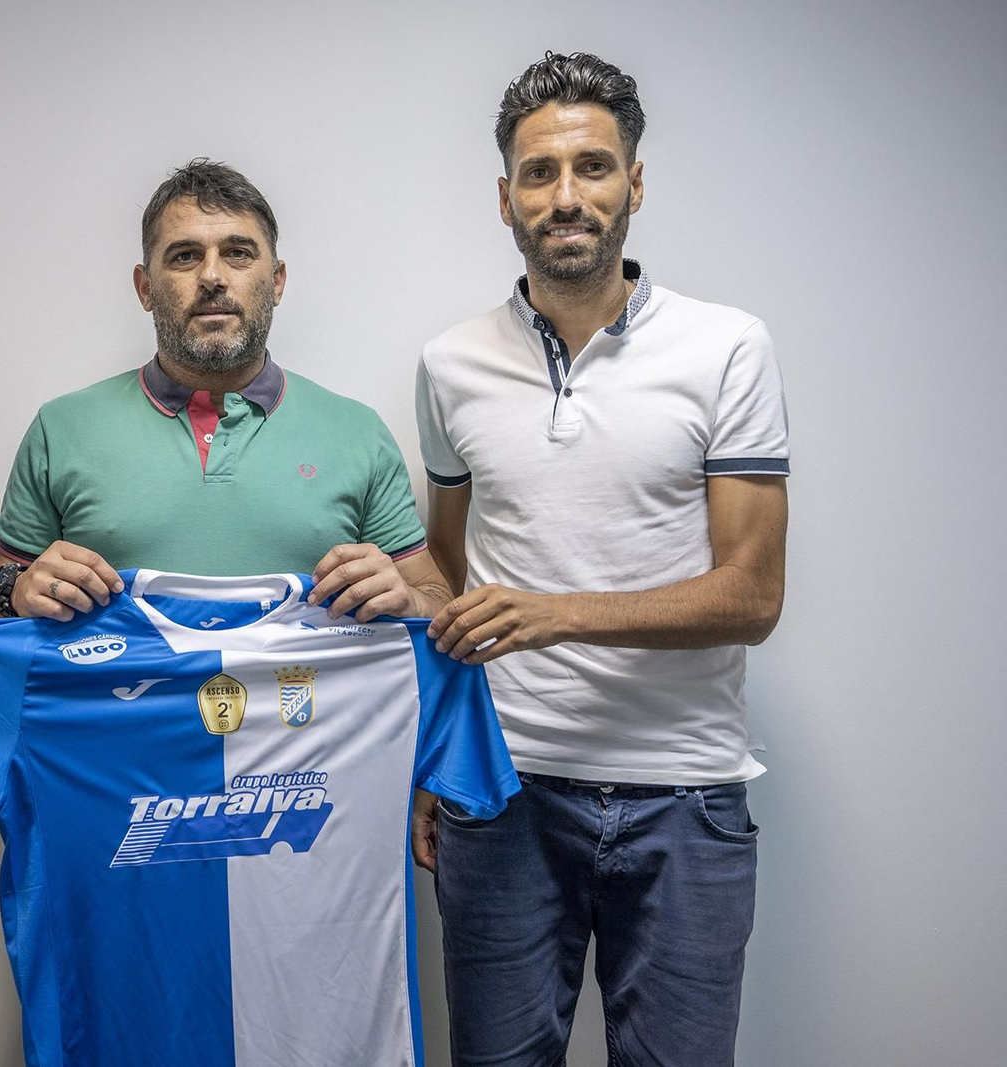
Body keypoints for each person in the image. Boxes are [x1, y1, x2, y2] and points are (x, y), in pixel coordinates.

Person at [413, 52, 790, 1067]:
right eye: (539, 173)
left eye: (592, 166)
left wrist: (556, 611)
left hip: (686, 797)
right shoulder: (449, 365)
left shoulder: (726, 348)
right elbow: (445, 579)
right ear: (504, 197)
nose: (565, 195)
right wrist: (430, 761)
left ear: (634, 182)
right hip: (501, 794)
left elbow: (751, 594)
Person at [0, 159, 450, 624]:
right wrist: (14, 591)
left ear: (276, 281)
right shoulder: (60, 429)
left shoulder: (358, 433)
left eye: (238, 253)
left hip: (303, 712)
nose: (212, 276)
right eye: (185, 256)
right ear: (145, 287)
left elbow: (436, 597)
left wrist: (409, 600)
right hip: (123, 711)